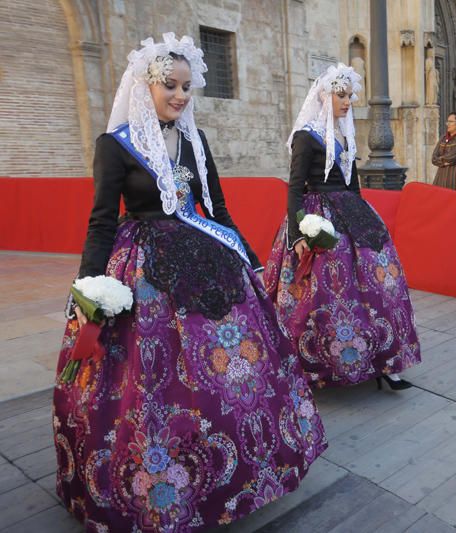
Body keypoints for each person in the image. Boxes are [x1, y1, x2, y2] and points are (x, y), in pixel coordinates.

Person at [53, 34, 326, 532]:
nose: (180, 96)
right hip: (145, 268)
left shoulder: (195, 140)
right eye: (169, 86)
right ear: (146, 86)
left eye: (186, 87)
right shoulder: (115, 146)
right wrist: (88, 286)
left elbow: (217, 209)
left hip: (205, 256)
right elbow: (100, 221)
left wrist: (249, 260)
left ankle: (241, 466)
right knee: (150, 374)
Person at [265, 63, 420, 391]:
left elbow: (352, 184)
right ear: (324, 95)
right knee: (318, 294)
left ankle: (384, 360)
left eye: (350, 95)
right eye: (341, 95)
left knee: (378, 285)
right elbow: (294, 187)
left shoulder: (344, 134)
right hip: (318, 217)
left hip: (350, 213)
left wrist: (366, 221)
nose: (347, 101)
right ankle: (310, 366)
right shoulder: (307, 137)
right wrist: (297, 235)